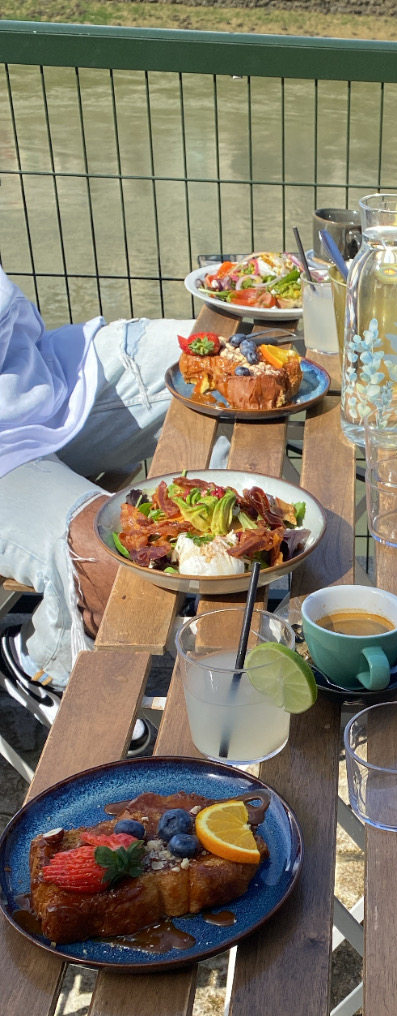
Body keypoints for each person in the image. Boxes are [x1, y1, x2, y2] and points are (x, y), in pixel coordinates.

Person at [0, 266, 193, 731]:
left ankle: (208, 601)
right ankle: (41, 665)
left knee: (228, 366)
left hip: (40, 379)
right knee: (111, 552)